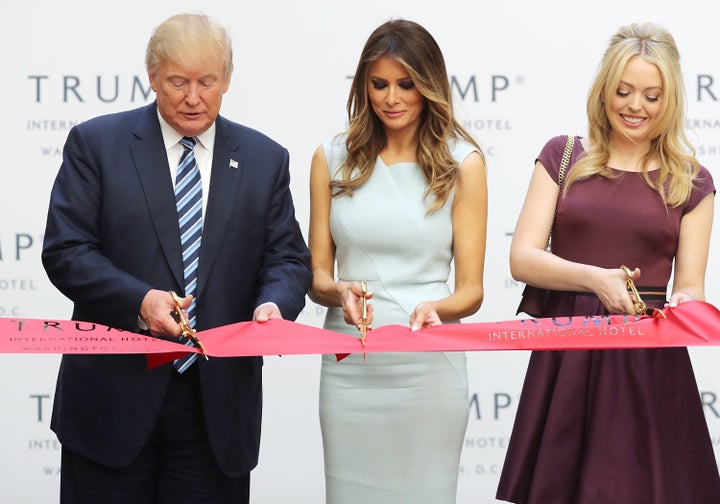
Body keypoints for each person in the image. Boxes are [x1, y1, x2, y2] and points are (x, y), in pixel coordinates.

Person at [41, 12, 312, 504]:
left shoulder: (264, 158)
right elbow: (66, 250)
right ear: (152, 76)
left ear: (226, 79)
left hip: (216, 410)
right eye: (178, 81)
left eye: (207, 81)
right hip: (112, 403)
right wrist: (140, 301)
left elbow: (288, 258)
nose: (193, 96)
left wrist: (273, 306)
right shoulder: (97, 144)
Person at [496, 22, 720, 503]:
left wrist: (686, 303)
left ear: (670, 101)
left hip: (648, 364)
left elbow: (692, 288)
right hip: (567, 357)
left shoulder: (693, 182)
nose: (634, 106)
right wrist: (594, 280)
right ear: (605, 91)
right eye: (623, 91)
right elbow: (522, 258)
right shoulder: (563, 156)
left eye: (651, 95)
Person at [308, 19, 487, 504]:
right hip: (350, 363)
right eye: (380, 84)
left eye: (406, 84)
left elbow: (472, 290)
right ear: (363, 85)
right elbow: (318, 275)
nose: (392, 97)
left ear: (429, 84)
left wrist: (440, 309)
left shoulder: (462, 161)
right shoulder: (332, 157)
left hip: (427, 365)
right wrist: (338, 290)